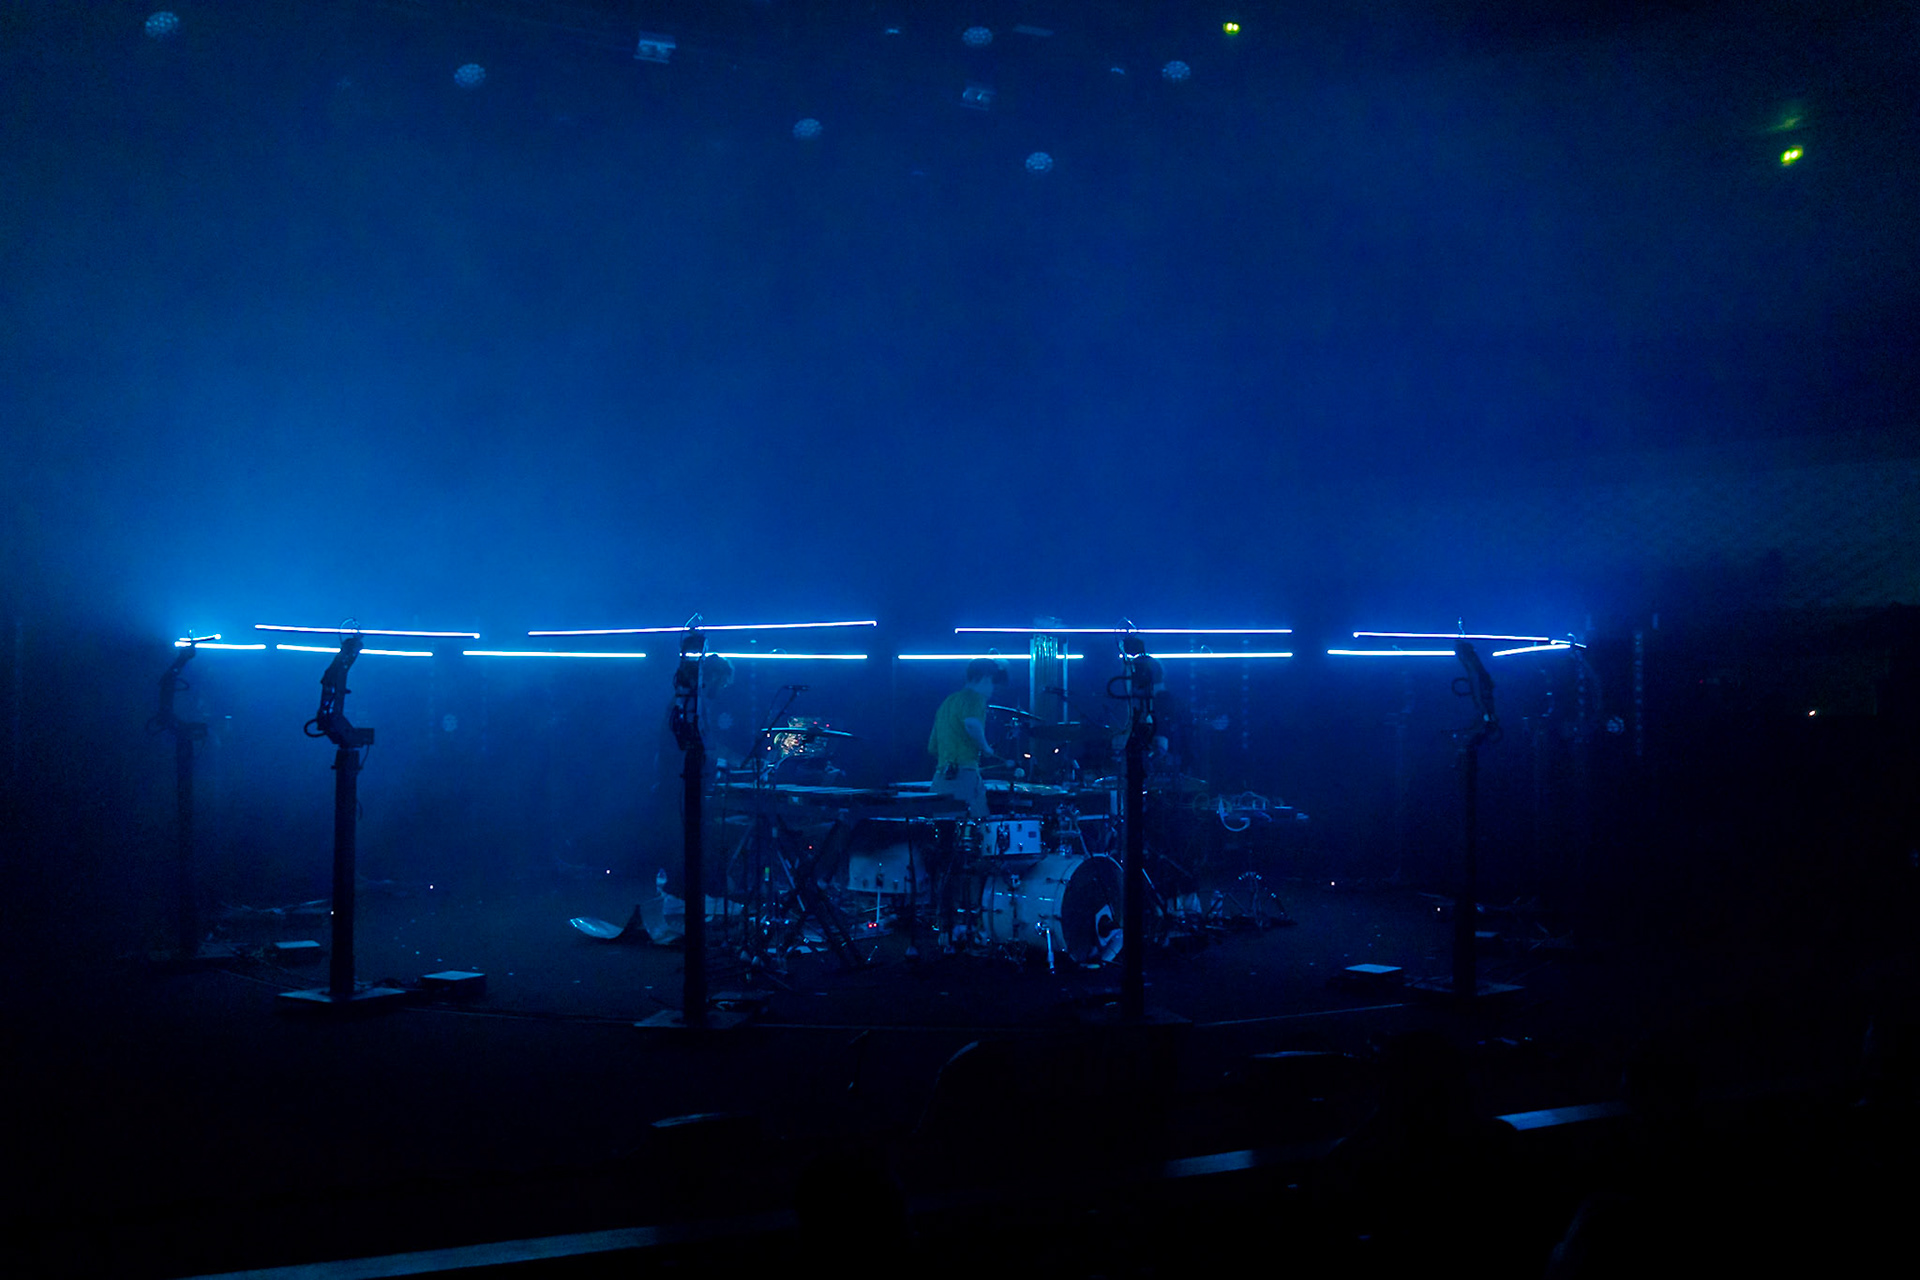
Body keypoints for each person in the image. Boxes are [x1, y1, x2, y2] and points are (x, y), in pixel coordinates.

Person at [928, 658, 1008, 817]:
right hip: (963, 775)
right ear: (986, 678)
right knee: (979, 829)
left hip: (941, 777)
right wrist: (985, 747)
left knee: (944, 831)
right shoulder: (975, 698)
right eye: (992, 683)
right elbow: (971, 723)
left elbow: (932, 747)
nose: (992, 690)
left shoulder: (948, 702)